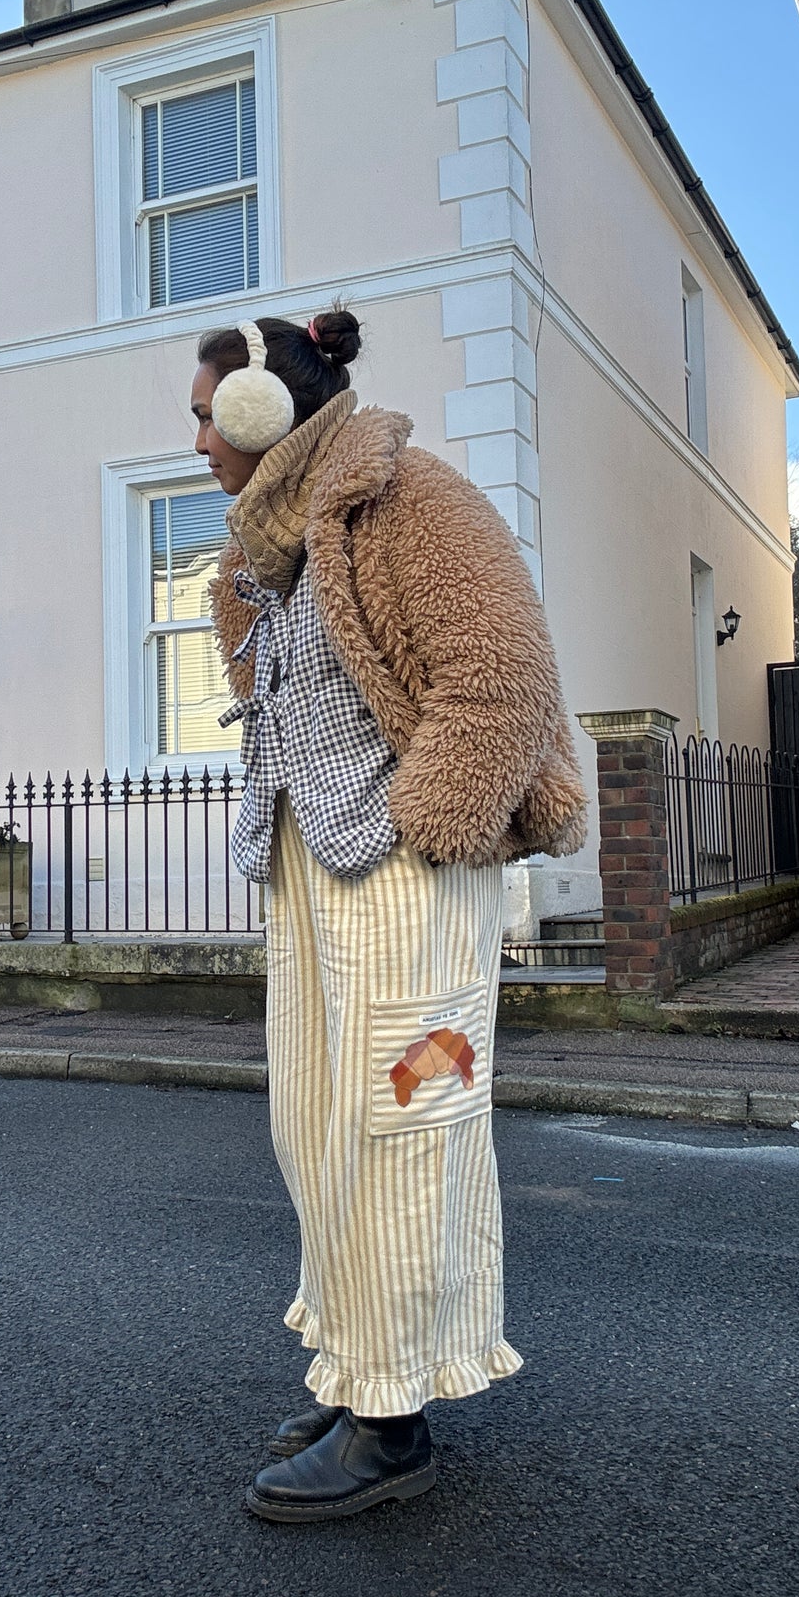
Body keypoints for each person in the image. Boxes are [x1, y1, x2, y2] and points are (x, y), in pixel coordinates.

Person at [192, 308, 587, 1524]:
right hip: (314, 867)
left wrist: (430, 825)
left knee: (403, 1127)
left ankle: (394, 1423)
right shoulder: (283, 543)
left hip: (407, 874)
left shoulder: (406, 497)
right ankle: (356, 1364)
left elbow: (502, 672)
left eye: (207, 410)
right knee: (314, 1122)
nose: (197, 435)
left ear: (265, 413)